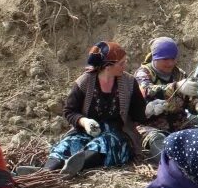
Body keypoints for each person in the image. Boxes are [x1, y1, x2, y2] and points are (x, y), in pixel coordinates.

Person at [44, 41, 147, 174]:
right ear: (107, 66)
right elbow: (69, 111)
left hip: (117, 134)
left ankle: (73, 168)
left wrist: (146, 106)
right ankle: (45, 171)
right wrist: (84, 121)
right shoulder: (85, 82)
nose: (124, 66)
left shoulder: (129, 82)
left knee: (104, 143)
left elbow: (138, 115)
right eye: (121, 63)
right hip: (87, 131)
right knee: (68, 144)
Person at [135, 37, 198, 164]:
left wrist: (197, 104)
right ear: (155, 58)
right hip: (150, 125)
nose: (170, 63)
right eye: (165, 59)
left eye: (173, 59)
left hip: (179, 124)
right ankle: (169, 162)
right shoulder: (144, 73)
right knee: (156, 139)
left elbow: (190, 98)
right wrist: (176, 87)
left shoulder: (179, 74)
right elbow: (146, 91)